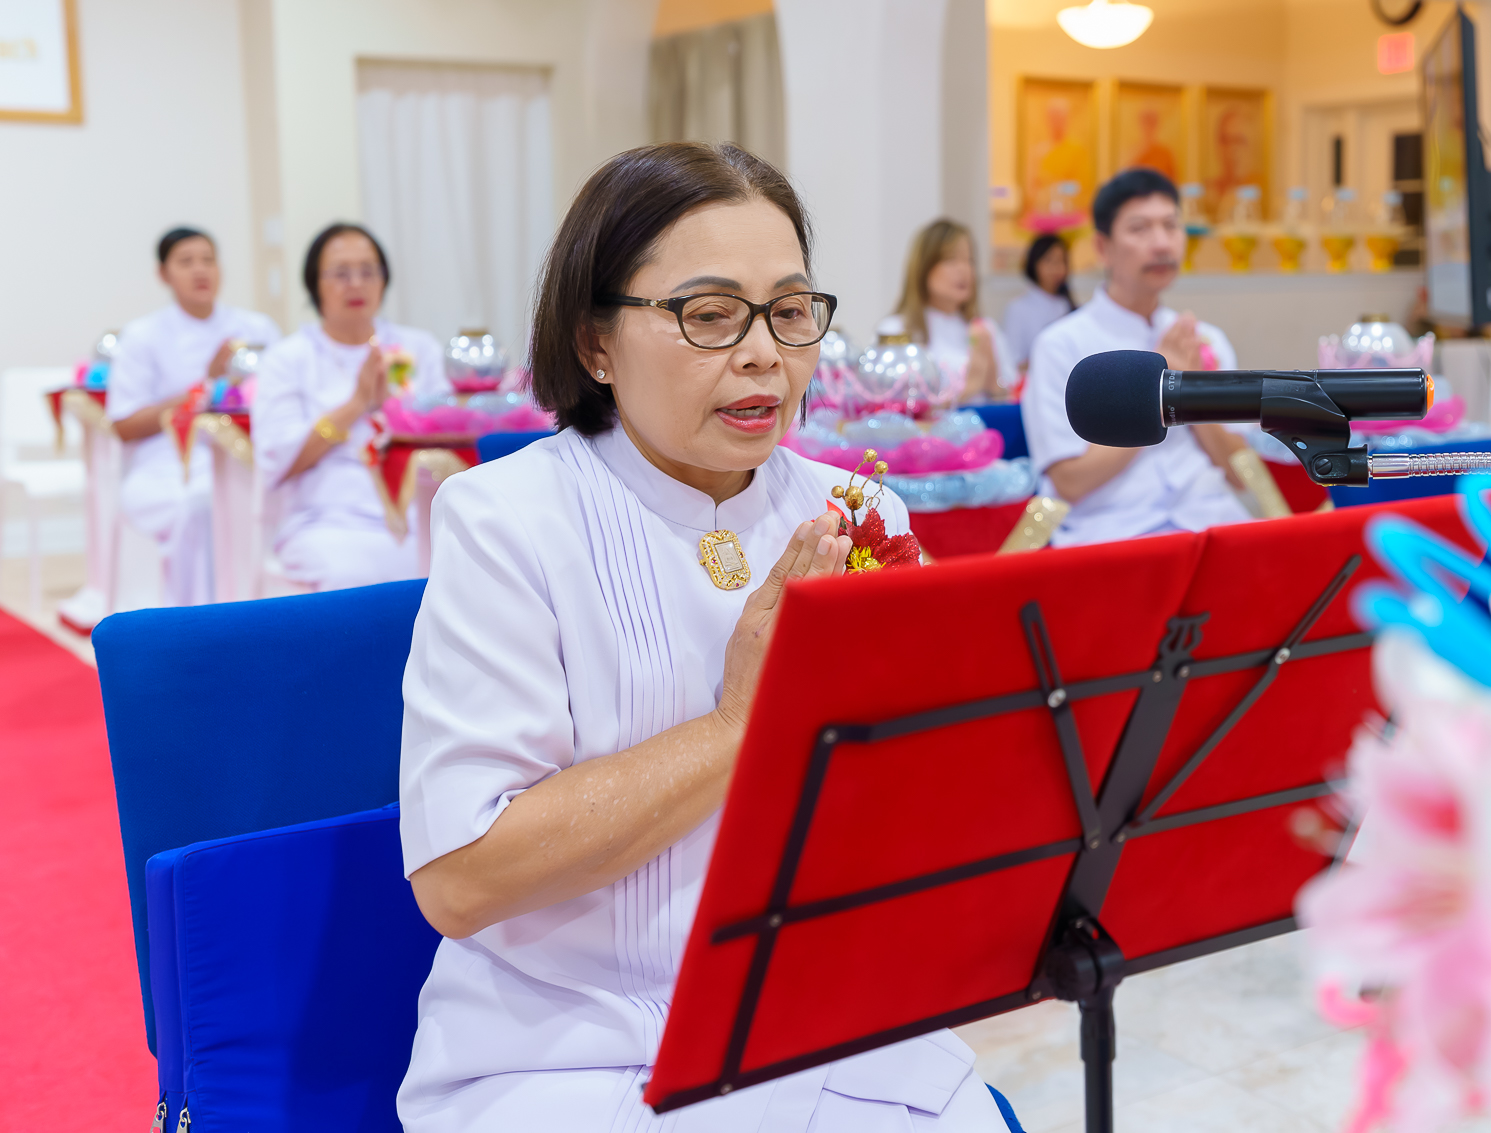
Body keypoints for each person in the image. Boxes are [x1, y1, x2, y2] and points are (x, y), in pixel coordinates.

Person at [395, 142, 1004, 1132]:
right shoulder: (506, 520)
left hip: (813, 1016)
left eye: (791, 311)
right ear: (596, 341)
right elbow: (462, 879)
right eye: (710, 314)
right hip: (566, 1049)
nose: (764, 352)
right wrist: (741, 723)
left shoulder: (855, 511)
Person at [1021, 167, 1252, 546]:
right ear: (1102, 247)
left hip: (1212, 520)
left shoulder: (1202, 340)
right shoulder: (1060, 345)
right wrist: (1154, 396)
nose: (1161, 243)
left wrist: (1190, 386)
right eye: (1140, 228)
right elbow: (1069, 481)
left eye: (1170, 225)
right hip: (1114, 532)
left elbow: (1240, 472)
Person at [251, 222, 447, 590]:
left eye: (368, 271)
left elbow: (448, 435)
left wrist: (396, 413)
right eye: (341, 273)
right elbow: (279, 460)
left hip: (419, 514)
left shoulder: (418, 347)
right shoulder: (289, 358)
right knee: (350, 578)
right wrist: (357, 403)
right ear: (315, 284)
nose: (356, 283)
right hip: (326, 520)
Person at [105, 226, 278, 605]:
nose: (200, 271)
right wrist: (208, 384)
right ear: (163, 274)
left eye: (208, 260)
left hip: (247, 457)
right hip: (166, 465)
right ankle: (197, 622)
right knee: (202, 504)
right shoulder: (143, 336)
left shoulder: (256, 328)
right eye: (186, 262)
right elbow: (124, 426)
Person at [875, 217, 1017, 401]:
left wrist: (991, 378)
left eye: (970, 260)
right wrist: (969, 387)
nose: (964, 270)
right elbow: (888, 404)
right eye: (951, 260)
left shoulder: (986, 329)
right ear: (924, 266)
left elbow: (1010, 397)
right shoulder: (895, 330)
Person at [1001, 233, 1075, 373]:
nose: (1056, 268)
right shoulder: (1018, 308)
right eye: (1049, 261)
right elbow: (1012, 361)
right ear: (1034, 263)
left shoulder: (1067, 305)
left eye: (1061, 261)